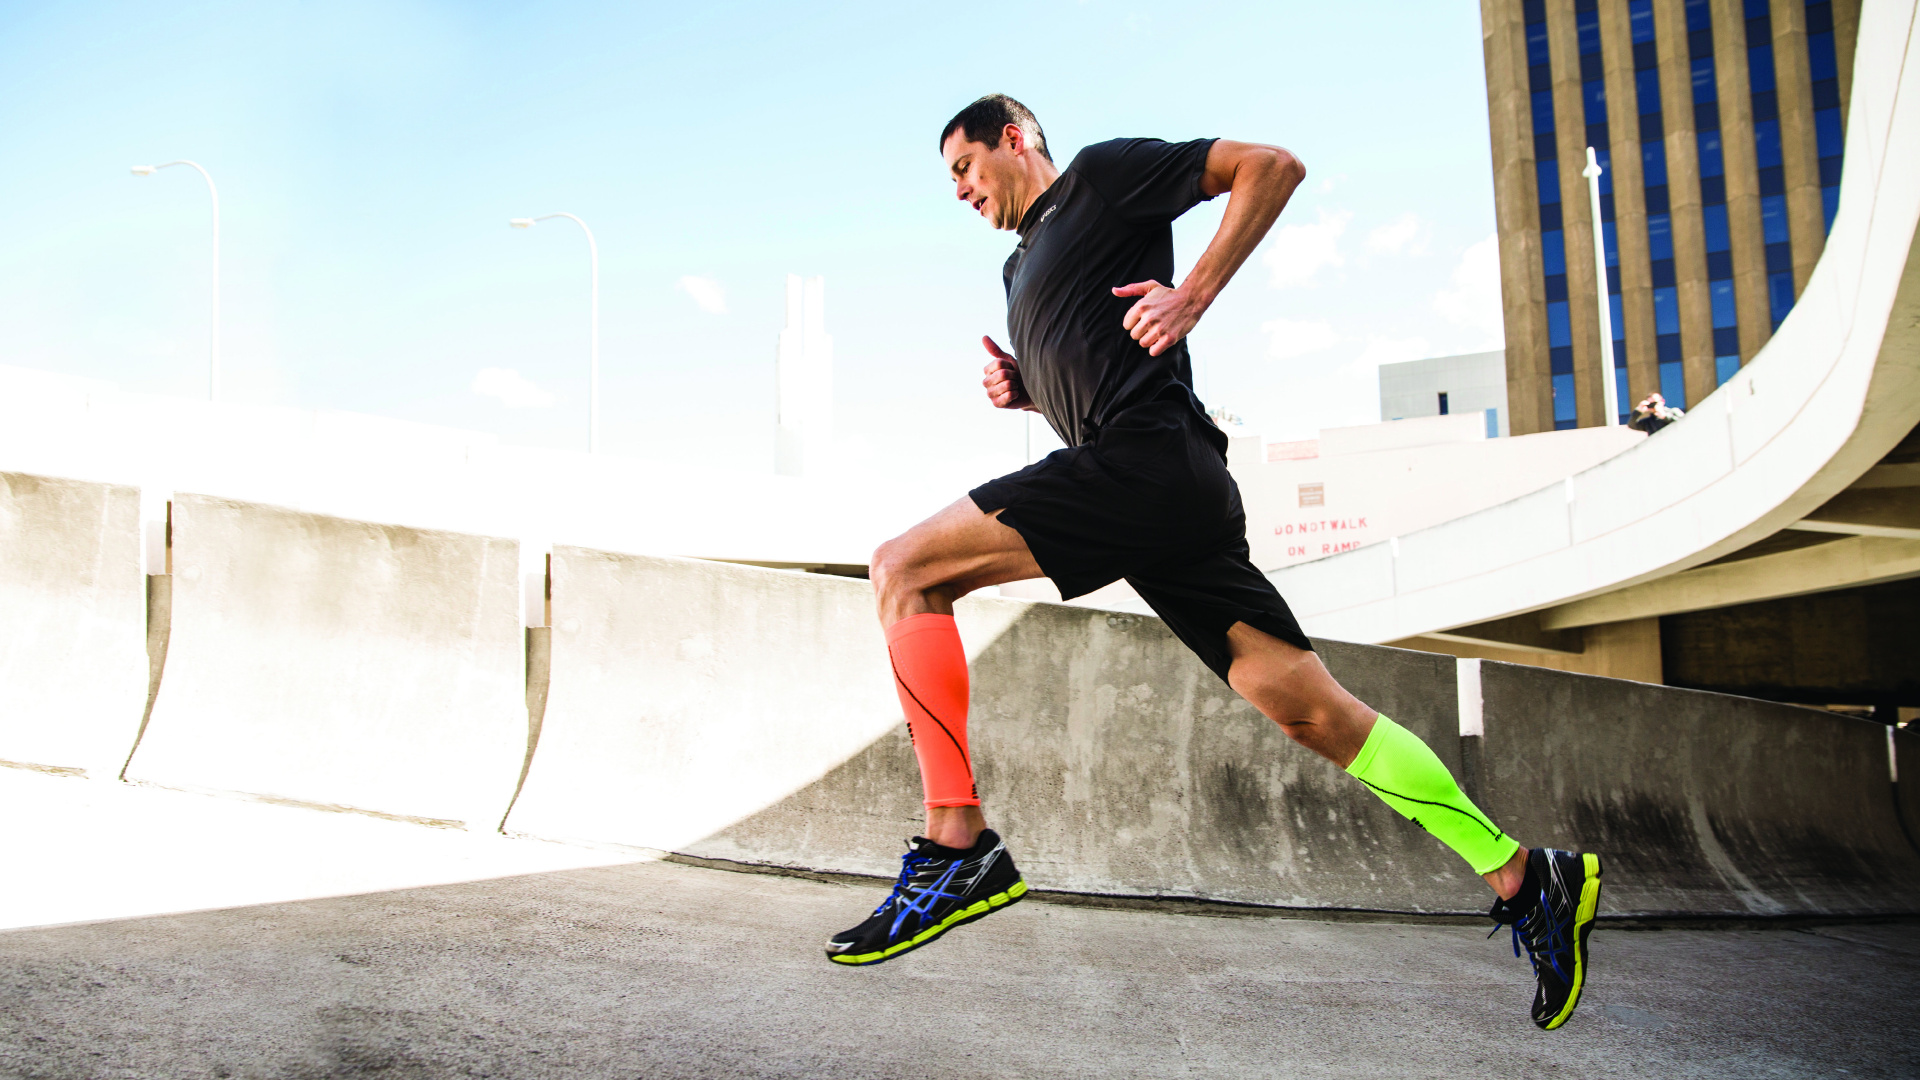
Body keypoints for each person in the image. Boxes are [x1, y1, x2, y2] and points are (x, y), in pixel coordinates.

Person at [824, 94, 1603, 1031]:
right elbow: (1100, 373)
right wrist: (1028, 394)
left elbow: (1270, 165)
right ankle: (1528, 876)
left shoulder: (1103, 179)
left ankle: (957, 841)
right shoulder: (1019, 263)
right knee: (1314, 713)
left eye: (962, 167)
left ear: (1016, 138)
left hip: (1147, 466)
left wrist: (1191, 293)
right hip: (1164, 492)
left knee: (906, 569)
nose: (958, 190)